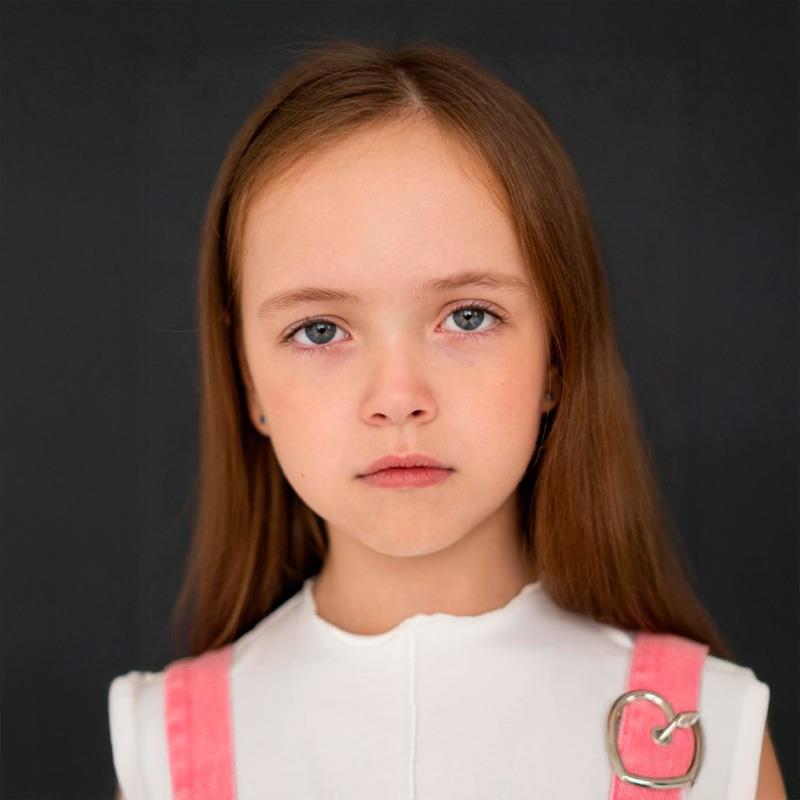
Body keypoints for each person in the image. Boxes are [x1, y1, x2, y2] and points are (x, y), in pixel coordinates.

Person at [108, 39, 786, 799]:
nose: (398, 397)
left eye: (468, 316)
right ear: (246, 378)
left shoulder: (706, 736)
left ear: (556, 357)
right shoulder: (165, 751)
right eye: (320, 330)